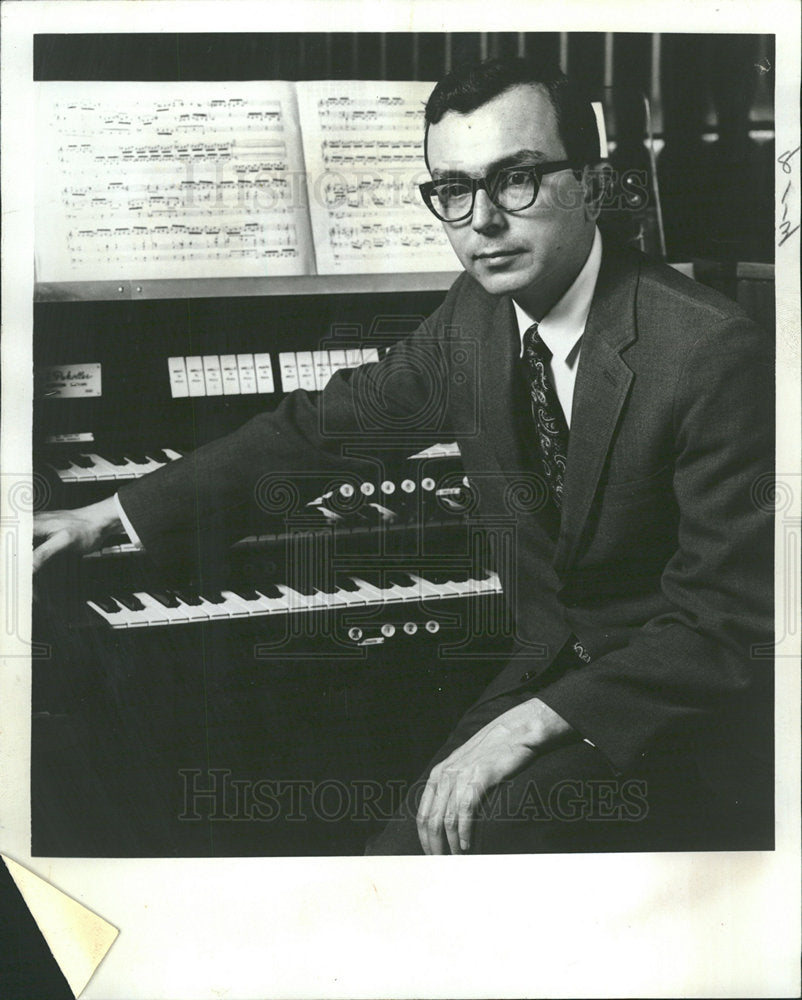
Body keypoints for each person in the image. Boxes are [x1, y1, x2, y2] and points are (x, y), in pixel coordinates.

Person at [33, 58, 774, 855]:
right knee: (394, 854)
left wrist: (528, 726)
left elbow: (726, 623)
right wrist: (106, 517)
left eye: (516, 178)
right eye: (454, 189)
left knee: (430, 856)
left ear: (591, 186)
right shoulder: (478, 318)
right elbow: (320, 430)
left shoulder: (707, 349)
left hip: (669, 711)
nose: (482, 220)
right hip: (548, 669)